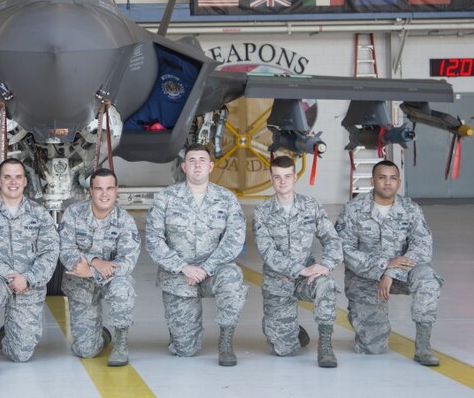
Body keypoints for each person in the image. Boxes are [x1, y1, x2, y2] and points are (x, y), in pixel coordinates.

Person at [145, 143, 246, 366]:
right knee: (185, 350)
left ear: (210, 166)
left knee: (232, 278)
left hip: (215, 270)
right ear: (184, 166)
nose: (197, 165)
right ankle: (180, 333)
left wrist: (206, 268)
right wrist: (183, 267)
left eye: (202, 160)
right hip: (179, 275)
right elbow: (153, 239)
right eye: (191, 161)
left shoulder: (226, 198)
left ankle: (226, 342)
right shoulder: (166, 198)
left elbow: (234, 240)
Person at [335, 159, 442, 366]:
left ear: (398, 182)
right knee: (373, 348)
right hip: (365, 278)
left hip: (401, 274)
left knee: (428, 279)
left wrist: (391, 272)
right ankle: (367, 324)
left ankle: (423, 347)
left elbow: (422, 246)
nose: (387, 183)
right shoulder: (353, 209)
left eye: (393, 178)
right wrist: (383, 265)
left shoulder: (410, 209)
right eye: (382, 177)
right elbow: (344, 250)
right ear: (372, 180)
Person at [0, 158, 60, 377]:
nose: (13, 182)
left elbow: (50, 253)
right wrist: (10, 275)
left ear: (25, 181)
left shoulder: (39, 215)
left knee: (21, 355)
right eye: (7, 177)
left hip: (28, 285)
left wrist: (27, 278)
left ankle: (8, 333)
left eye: (18, 177)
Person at [252, 155, 342, 367]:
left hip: (307, 279)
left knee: (327, 285)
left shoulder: (311, 206)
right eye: (277, 177)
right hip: (278, 283)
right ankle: (286, 328)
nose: (282, 182)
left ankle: (325, 345)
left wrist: (325, 266)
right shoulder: (262, 212)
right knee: (284, 351)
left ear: (294, 177)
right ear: (271, 179)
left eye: (287, 176)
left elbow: (332, 239)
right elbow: (268, 253)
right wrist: (301, 269)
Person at [59, 168, 140, 366]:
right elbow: (65, 249)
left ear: (116, 190)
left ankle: (121, 343)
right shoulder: (73, 214)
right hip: (80, 284)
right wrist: (95, 261)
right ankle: (99, 335)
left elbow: (128, 261)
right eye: (99, 189)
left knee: (123, 287)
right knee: (86, 352)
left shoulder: (125, 221)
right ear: (90, 191)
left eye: (109, 188)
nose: (104, 194)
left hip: (111, 280)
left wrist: (92, 271)